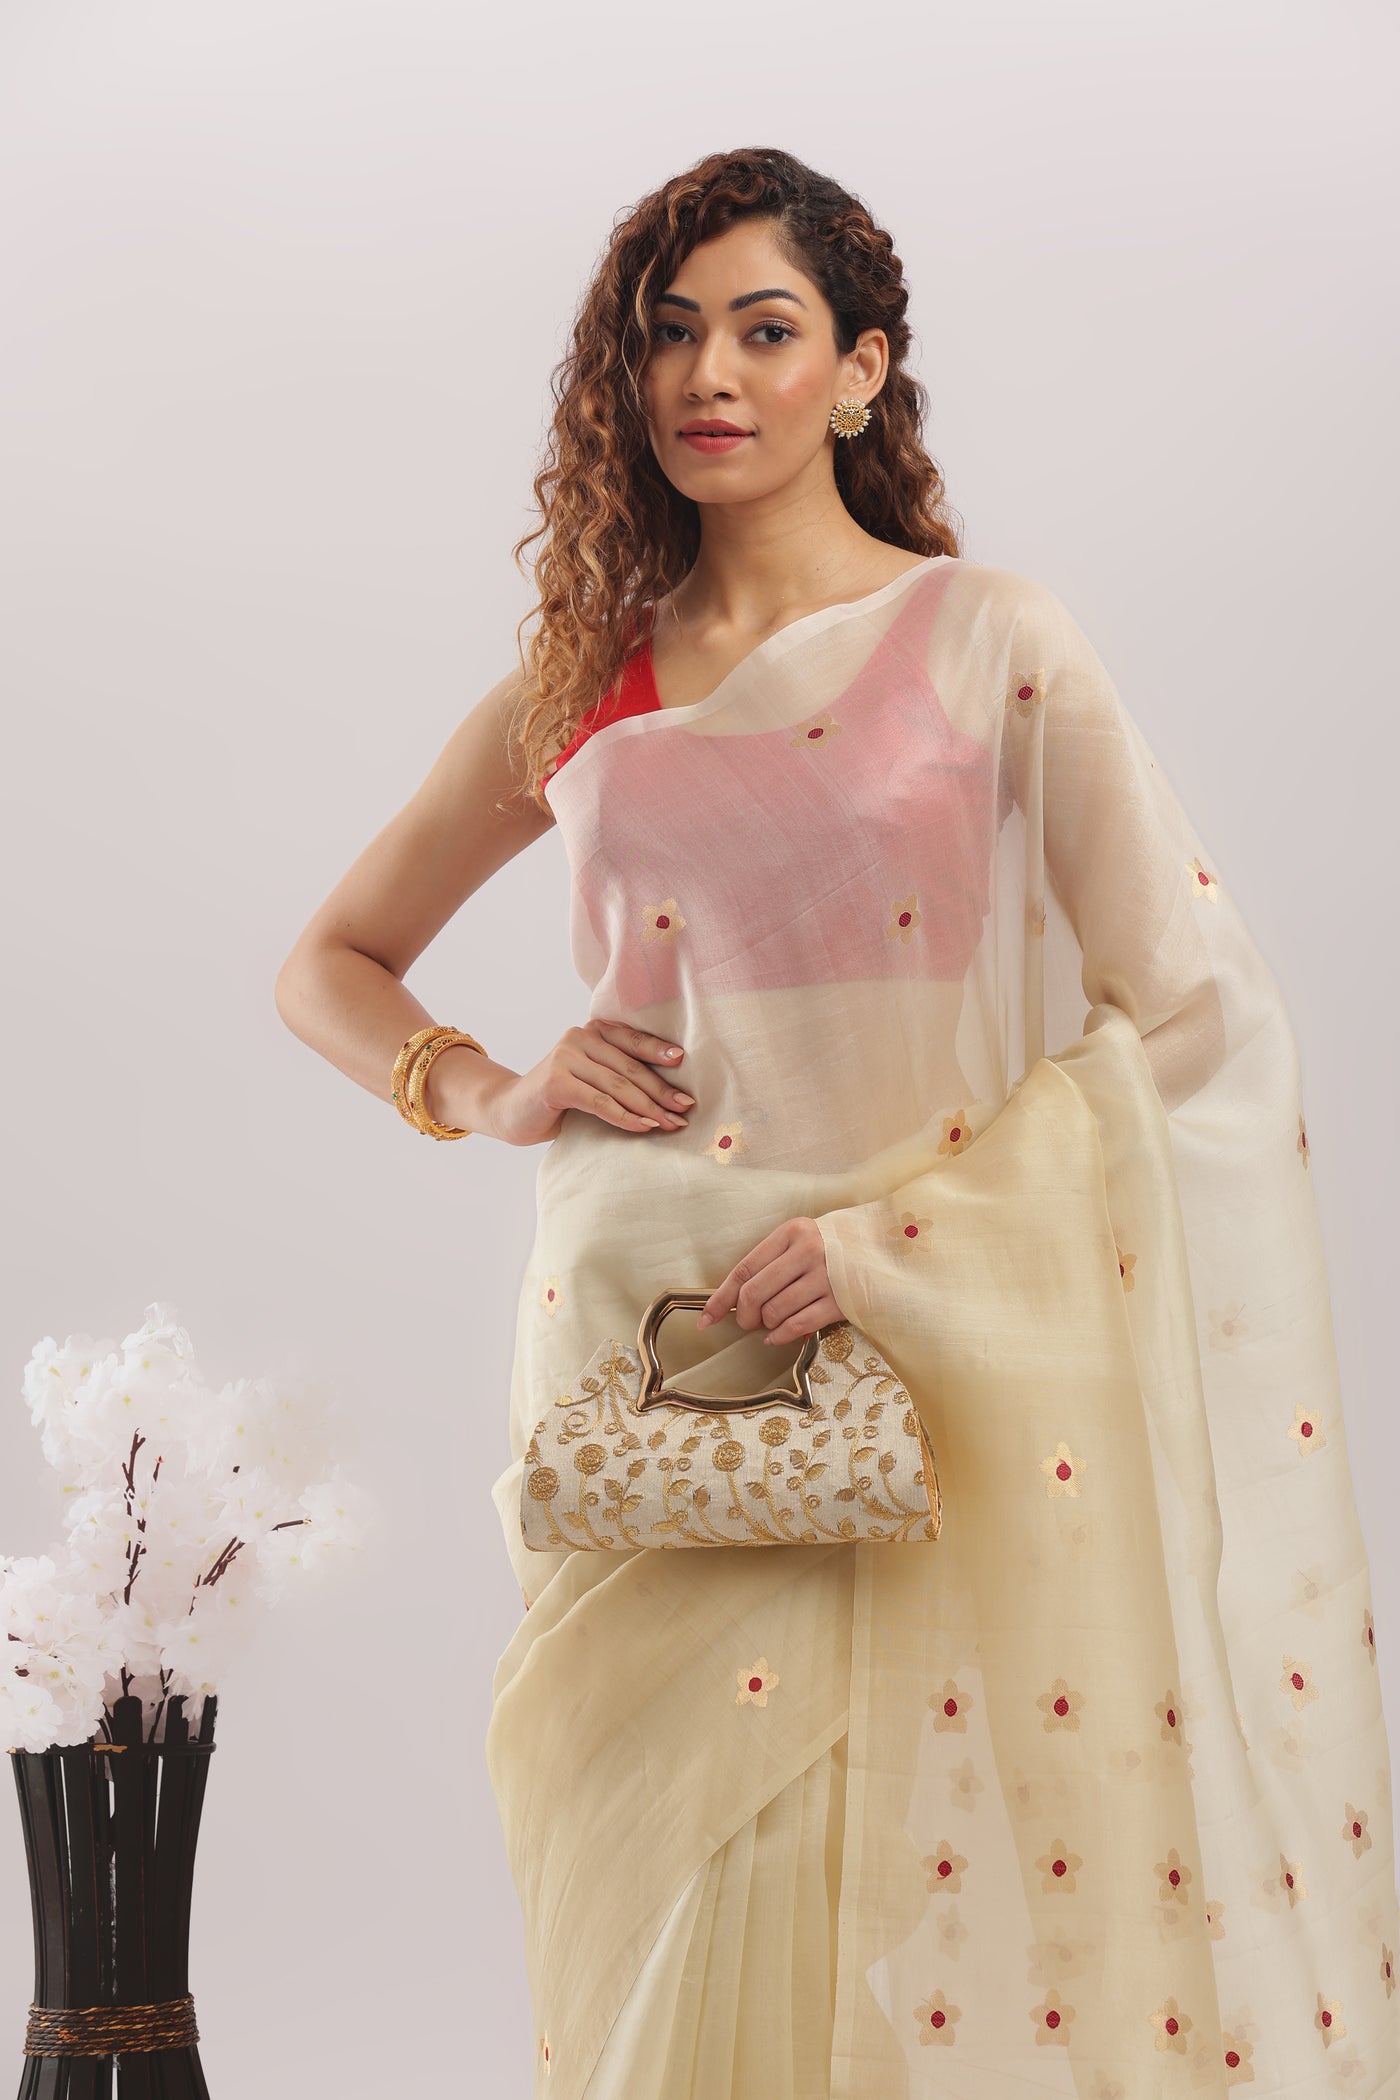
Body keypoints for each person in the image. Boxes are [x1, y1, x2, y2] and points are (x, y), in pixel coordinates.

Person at [275, 146, 1400, 2099]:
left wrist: (901, 1250)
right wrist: (486, 1086)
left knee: (922, 1885)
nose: (709, 373)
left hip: (912, 1332)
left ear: (861, 371)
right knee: (662, 1900)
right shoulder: (580, 675)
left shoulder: (990, 639)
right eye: (669, 332)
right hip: (643, 1346)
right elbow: (333, 958)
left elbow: (1191, 1014)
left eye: (765, 330)